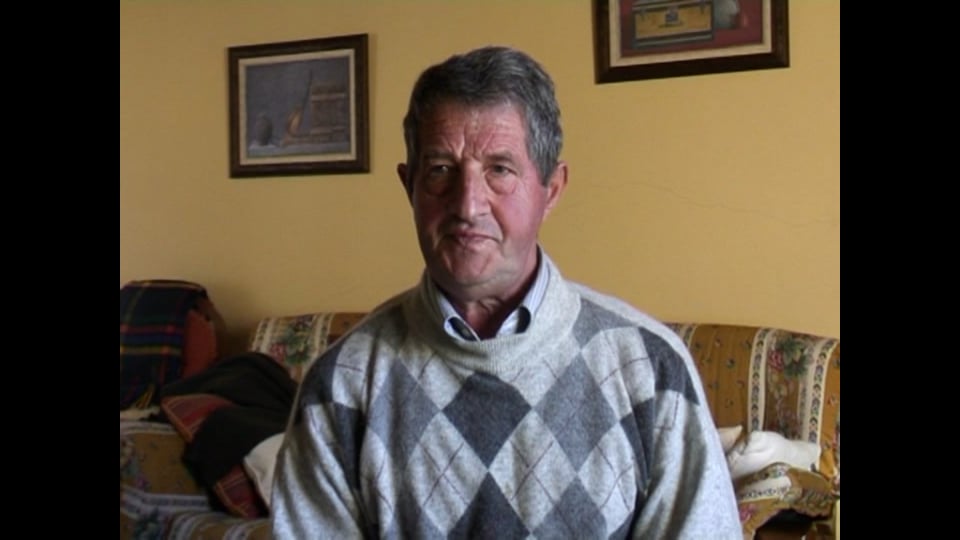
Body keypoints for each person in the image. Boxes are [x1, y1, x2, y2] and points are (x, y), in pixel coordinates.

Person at [271, 45, 741, 539]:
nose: (467, 205)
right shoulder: (341, 385)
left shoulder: (650, 369)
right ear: (409, 187)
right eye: (440, 170)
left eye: (499, 169)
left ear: (551, 189)